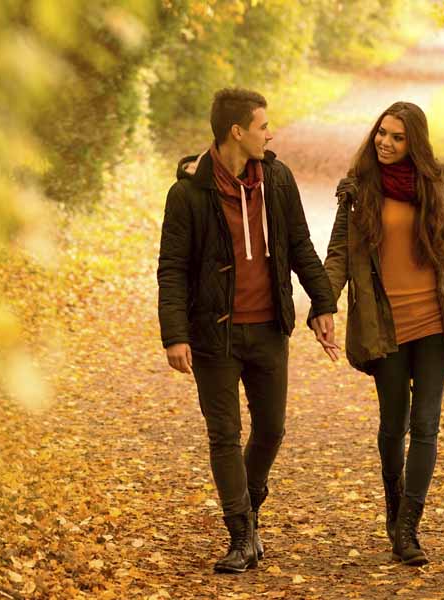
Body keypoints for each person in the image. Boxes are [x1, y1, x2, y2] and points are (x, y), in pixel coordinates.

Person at [158, 88, 337, 574]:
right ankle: (240, 535)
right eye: (263, 126)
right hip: (214, 334)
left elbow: (300, 244)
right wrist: (174, 334)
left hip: (269, 329)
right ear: (237, 131)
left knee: (272, 429)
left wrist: (323, 303)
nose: (270, 133)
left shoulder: (277, 180)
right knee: (224, 435)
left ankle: (249, 508)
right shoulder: (188, 194)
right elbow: (172, 268)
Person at [311, 101, 444, 566]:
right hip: (384, 326)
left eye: (397, 137)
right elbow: (339, 256)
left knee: (426, 424)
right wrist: (322, 305)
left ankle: (407, 528)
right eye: (381, 133)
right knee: (394, 426)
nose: (385, 142)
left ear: (415, 143)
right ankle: (394, 503)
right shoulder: (359, 189)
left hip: (434, 321)